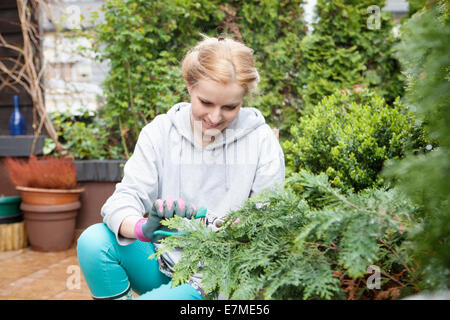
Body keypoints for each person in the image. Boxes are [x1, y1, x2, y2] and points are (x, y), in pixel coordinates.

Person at [76, 35, 285, 300]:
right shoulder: (160, 132)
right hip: (164, 263)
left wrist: (221, 227)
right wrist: (142, 228)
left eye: (230, 107)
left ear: (243, 99)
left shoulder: (261, 141)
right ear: (189, 86)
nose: (215, 117)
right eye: (206, 102)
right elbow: (123, 199)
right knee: (94, 242)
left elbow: (268, 224)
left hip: (217, 280)